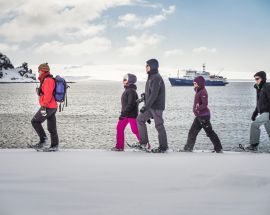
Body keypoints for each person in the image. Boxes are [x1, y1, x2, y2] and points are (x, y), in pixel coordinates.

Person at [182, 76, 223, 153]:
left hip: (204, 116)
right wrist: (196, 110)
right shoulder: (198, 90)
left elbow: (205, 104)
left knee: (210, 132)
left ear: (199, 83)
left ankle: (218, 148)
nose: (193, 84)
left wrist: (197, 108)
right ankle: (188, 148)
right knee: (192, 132)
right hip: (199, 116)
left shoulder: (203, 91)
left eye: (195, 83)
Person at [135, 59, 168, 153]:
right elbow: (150, 93)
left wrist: (145, 107)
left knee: (159, 125)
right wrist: (144, 96)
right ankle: (143, 143)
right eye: (146, 66)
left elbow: (154, 94)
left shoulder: (156, 78)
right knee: (140, 119)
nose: (145, 67)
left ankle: (163, 147)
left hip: (156, 107)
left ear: (152, 66)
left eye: (147, 66)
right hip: (150, 106)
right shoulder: (151, 77)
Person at [31, 63, 59, 152]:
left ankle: (43, 141)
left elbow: (48, 94)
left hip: (48, 106)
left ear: (42, 70)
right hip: (52, 107)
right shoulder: (46, 79)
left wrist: (44, 106)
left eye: (39, 70)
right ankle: (54, 146)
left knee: (35, 121)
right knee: (51, 128)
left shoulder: (47, 80)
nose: (38, 72)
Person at [112, 74, 140, 151]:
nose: (123, 81)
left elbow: (130, 104)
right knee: (119, 128)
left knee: (135, 130)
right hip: (126, 114)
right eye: (123, 79)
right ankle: (119, 147)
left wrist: (123, 113)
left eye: (125, 79)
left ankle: (146, 145)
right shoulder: (128, 90)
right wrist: (123, 113)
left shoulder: (131, 91)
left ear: (130, 81)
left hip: (131, 115)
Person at [246, 71, 270, 151]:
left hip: (267, 112)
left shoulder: (267, 87)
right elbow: (259, 103)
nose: (256, 80)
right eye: (255, 79)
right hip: (263, 112)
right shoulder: (259, 88)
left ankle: (253, 146)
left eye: (257, 78)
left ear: (262, 79)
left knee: (254, 125)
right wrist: (255, 113)